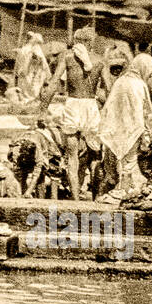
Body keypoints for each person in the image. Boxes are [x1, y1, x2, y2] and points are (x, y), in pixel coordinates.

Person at [41, 26, 102, 201]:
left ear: (77, 41)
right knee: (95, 156)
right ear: (91, 42)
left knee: (72, 157)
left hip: (73, 105)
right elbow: (109, 90)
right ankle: (95, 198)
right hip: (91, 107)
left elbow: (53, 85)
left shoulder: (67, 58)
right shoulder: (99, 60)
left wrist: (43, 111)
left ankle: (75, 200)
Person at [98, 53, 152, 198]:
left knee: (111, 167)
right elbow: (146, 111)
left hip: (114, 129)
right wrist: (148, 131)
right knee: (128, 166)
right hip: (132, 129)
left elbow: (109, 106)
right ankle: (124, 192)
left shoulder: (120, 81)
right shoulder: (139, 84)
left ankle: (104, 194)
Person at [15, 32, 50, 103]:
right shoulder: (33, 48)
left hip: (27, 69)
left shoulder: (24, 48)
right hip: (30, 69)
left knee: (26, 84)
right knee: (31, 84)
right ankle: (30, 99)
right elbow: (41, 60)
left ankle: (27, 99)